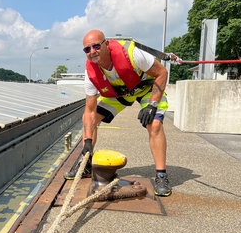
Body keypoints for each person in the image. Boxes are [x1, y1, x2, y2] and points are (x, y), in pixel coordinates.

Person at [64, 29, 172, 197]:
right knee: (90, 119)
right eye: (87, 49)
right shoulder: (90, 73)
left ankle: (161, 175)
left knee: (155, 124)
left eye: (96, 46)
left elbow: (162, 73)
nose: (92, 52)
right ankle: (86, 163)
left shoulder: (133, 54)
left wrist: (152, 105)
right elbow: (90, 111)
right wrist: (87, 142)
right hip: (119, 94)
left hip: (146, 90)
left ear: (106, 44)